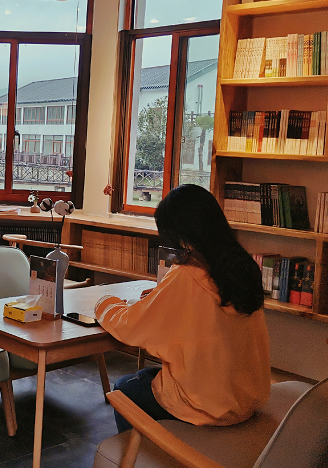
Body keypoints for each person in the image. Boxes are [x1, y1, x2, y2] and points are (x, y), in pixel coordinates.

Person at [95, 184, 270, 433]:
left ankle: (142, 454)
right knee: (151, 378)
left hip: (205, 405)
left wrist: (104, 304)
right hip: (244, 399)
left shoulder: (187, 274)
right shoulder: (242, 268)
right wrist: (161, 298)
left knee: (125, 387)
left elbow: (131, 327)